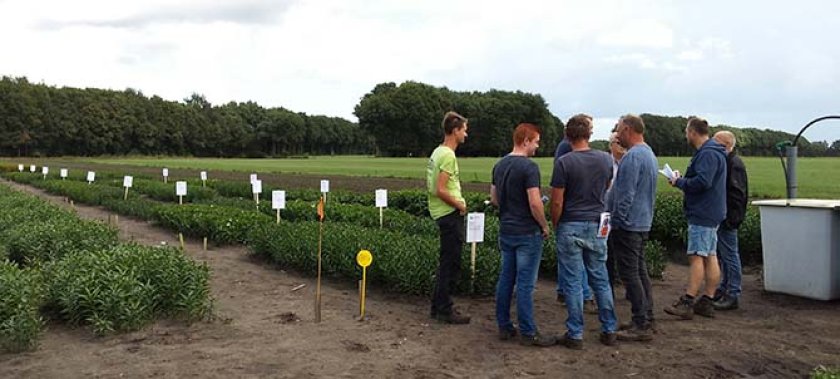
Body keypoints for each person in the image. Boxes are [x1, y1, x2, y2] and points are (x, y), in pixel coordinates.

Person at [550, 114, 618, 349]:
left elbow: (557, 201)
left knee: (572, 281)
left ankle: (575, 333)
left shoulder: (564, 163)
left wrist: (556, 223)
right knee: (600, 277)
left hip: (571, 223)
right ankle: (609, 329)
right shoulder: (605, 159)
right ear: (589, 134)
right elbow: (607, 186)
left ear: (568, 136)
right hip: (598, 224)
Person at [491, 123, 556, 346]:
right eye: (536, 141)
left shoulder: (499, 165)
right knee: (526, 284)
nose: (537, 146)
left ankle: (504, 325)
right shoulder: (529, 168)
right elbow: (535, 203)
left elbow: (494, 199)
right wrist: (545, 225)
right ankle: (528, 332)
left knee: (506, 279)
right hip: (527, 232)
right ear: (526, 140)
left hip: (506, 229)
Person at [665, 116, 727, 319]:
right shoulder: (716, 152)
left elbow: (703, 182)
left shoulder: (707, 154)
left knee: (697, 256)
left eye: (686, 131)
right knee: (710, 255)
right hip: (713, 211)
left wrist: (679, 182)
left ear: (692, 132)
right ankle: (707, 300)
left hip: (702, 212)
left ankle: (688, 301)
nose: (686, 135)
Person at [609, 114, 658, 342]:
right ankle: (647, 316)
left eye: (619, 130)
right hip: (643, 221)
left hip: (628, 225)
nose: (617, 135)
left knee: (630, 274)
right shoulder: (649, 154)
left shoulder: (632, 158)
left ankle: (640, 323)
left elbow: (625, 196)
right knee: (640, 271)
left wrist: (615, 221)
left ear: (628, 129)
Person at [427, 111, 470, 324]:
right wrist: (460, 205)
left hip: (440, 213)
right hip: (449, 213)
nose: (466, 134)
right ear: (455, 131)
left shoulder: (437, 152)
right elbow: (441, 189)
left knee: (446, 262)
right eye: (464, 130)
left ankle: (437, 306)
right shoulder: (448, 155)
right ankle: (445, 309)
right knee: (451, 264)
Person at [553, 136, 596, 313]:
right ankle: (585, 297)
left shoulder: (563, 148)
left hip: (570, 215)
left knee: (568, 259)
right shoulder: (567, 150)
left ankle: (563, 291)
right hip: (577, 215)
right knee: (582, 262)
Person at [711, 131, 748, 311]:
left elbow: (737, 195)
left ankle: (733, 293)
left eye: (715, 141)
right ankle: (725, 287)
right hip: (726, 216)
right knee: (725, 255)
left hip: (728, 218)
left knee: (730, 255)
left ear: (725, 145)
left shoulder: (734, 164)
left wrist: (731, 218)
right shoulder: (729, 161)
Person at [605, 131, 627, 288]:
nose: (621, 146)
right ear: (610, 145)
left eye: (622, 142)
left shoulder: (630, 162)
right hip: (607, 211)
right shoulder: (605, 163)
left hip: (624, 214)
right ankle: (610, 285)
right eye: (617, 143)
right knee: (608, 253)